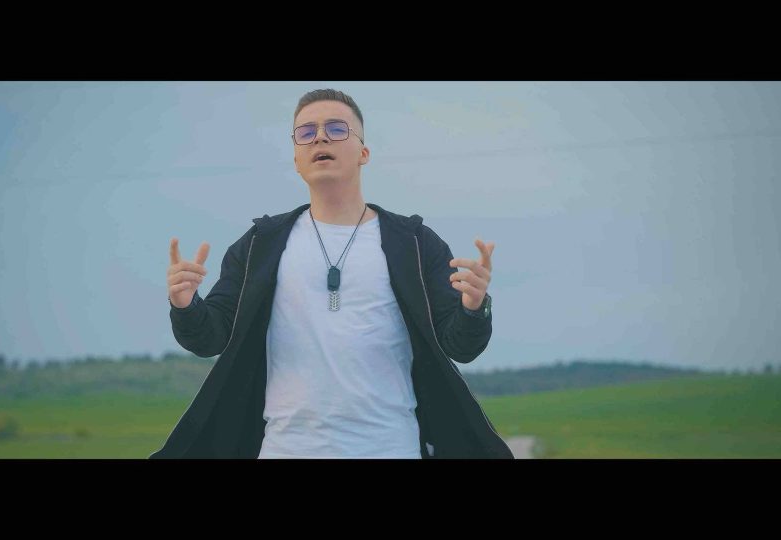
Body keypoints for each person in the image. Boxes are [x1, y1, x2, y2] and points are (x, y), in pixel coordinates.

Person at [150, 89, 513, 459]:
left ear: (363, 153)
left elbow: (461, 347)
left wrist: (474, 307)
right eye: (306, 132)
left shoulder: (415, 244)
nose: (320, 138)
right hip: (286, 449)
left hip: (390, 448)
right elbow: (210, 339)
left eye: (336, 129)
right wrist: (185, 305)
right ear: (296, 158)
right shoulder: (261, 245)